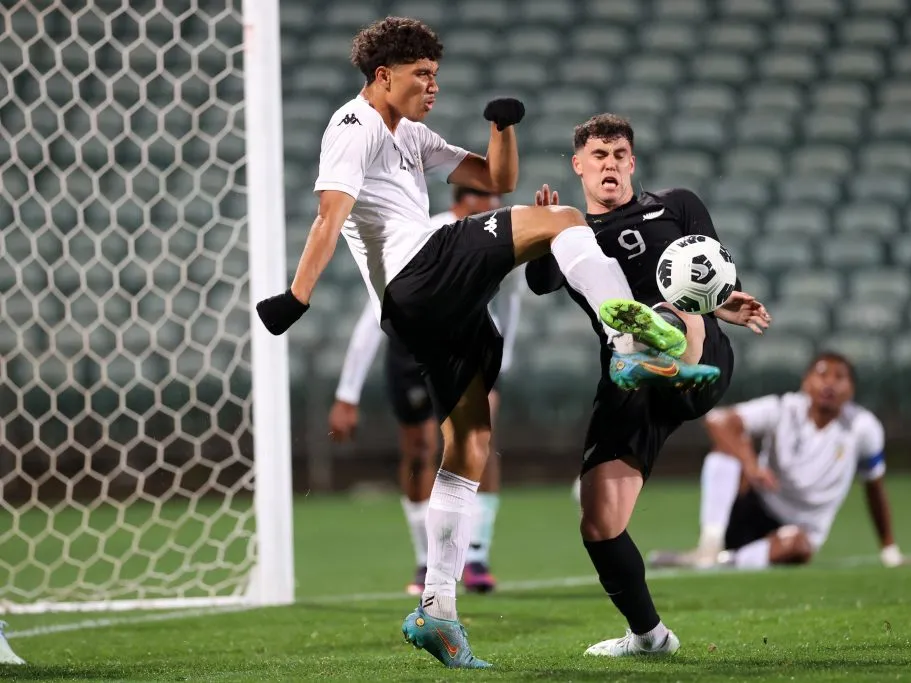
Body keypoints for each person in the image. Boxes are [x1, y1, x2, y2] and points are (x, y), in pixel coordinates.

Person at [254, 19, 702, 669]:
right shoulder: (351, 129)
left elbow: (497, 176)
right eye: (421, 76)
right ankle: (624, 338)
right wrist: (298, 295)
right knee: (565, 221)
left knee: (469, 443)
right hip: (423, 268)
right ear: (383, 76)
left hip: (424, 312)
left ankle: (438, 608)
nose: (433, 86)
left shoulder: (411, 133)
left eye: (437, 76)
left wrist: (501, 128)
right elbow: (331, 212)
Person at [526, 113, 772, 658]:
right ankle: (650, 636)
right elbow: (538, 282)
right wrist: (545, 228)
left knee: (666, 308)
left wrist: (728, 304)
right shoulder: (572, 236)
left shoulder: (677, 206)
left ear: (632, 163)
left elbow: (708, 273)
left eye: (618, 156)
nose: (609, 165)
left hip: (696, 358)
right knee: (599, 520)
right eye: (598, 156)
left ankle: (652, 333)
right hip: (628, 379)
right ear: (579, 166)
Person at [329, 186, 524, 595]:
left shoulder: (498, 235)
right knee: (418, 450)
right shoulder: (425, 234)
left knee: (480, 443)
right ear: (464, 198)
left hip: (468, 348)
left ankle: (475, 553)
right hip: (411, 353)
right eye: (488, 196)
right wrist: (348, 392)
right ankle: (424, 558)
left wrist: (504, 355)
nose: (496, 204)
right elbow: (375, 312)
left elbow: (511, 298)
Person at [647, 352, 904, 571]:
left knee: (799, 547)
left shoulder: (863, 428)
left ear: (851, 389)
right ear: (806, 382)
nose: (829, 384)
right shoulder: (785, 408)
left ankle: (718, 561)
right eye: (822, 374)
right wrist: (751, 464)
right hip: (752, 506)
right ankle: (709, 545)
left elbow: (874, 487)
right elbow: (718, 420)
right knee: (723, 453)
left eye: (839, 377)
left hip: (798, 530)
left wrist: (889, 548)